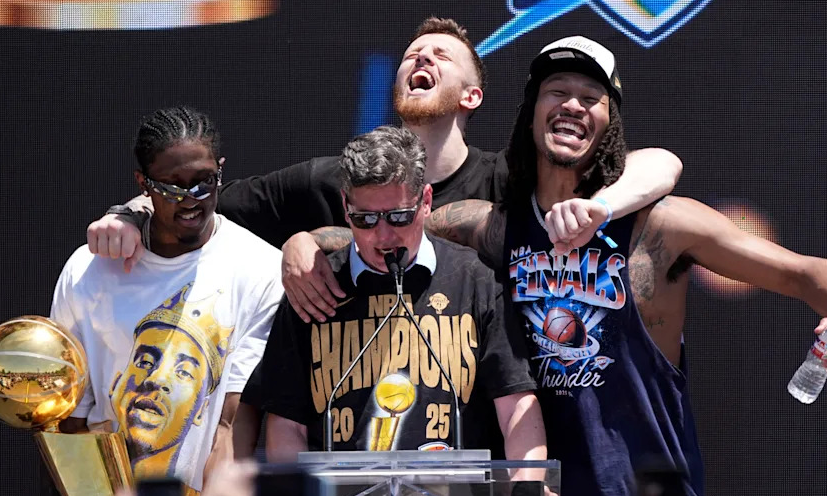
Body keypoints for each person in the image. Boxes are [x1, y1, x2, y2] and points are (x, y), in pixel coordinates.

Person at [422, 36, 827, 496]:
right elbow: (389, 229)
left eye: (591, 97)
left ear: (609, 125)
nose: (573, 105)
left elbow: (802, 272)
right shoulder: (496, 227)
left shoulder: (661, 225)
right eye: (557, 91)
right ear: (531, 112)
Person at [84, 17, 683, 323]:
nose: (422, 58)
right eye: (412, 55)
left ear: (471, 96)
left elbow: (661, 163)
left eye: (441, 56)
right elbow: (201, 199)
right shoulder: (329, 178)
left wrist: (601, 206)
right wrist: (129, 214)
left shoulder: (510, 181)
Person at [233, 126, 549, 470]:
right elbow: (286, 423)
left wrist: (527, 484)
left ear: (425, 201)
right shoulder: (313, 287)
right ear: (345, 207)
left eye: (399, 217)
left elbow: (516, 405)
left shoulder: (476, 280)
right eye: (365, 219)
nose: (383, 236)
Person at [52, 107, 284, 496]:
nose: (190, 199)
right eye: (172, 187)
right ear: (143, 183)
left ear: (220, 171)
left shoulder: (261, 270)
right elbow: (70, 423)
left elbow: (230, 426)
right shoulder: (87, 270)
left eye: (203, 182)